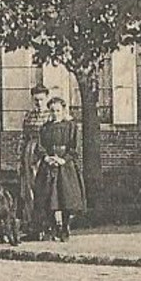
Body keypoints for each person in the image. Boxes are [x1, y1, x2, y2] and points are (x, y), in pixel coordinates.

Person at [42, 98, 87, 241]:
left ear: (63, 110)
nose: (55, 114)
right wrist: (47, 158)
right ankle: (54, 227)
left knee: (65, 197)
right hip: (50, 164)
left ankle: (66, 227)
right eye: (52, 111)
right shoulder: (45, 128)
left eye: (58, 110)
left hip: (65, 166)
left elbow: (75, 147)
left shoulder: (71, 126)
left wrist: (63, 159)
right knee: (50, 197)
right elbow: (40, 146)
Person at [17, 85, 54, 240]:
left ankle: (46, 225)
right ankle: (30, 224)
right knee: (28, 190)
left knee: (44, 190)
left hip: (44, 153)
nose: (39, 103)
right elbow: (23, 138)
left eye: (41, 99)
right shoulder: (28, 116)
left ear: (46, 99)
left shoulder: (50, 116)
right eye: (36, 100)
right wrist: (19, 159)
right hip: (29, 153)